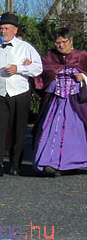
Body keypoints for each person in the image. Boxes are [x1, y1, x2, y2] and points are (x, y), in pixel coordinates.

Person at [0, 12, 42, 176]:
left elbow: (38, 68)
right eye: (1, 28)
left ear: (15, 30)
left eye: (6, 28)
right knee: (0, 127)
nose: (3, 31)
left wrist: (19, 69)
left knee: (19, 128)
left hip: (19, 92)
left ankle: (16, 163)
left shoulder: (26, 47)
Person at [32, 28, 87, 176]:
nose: (61, 46)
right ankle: (52, 163)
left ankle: (74, 162)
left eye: (64, 42)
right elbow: (39, 73)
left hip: (77, 101)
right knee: (52, 130)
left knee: (76, 131)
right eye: (58, 43)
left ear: (71, 41)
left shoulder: (82, 56)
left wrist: (83, 76)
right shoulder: (50, 57)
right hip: (56, 102)